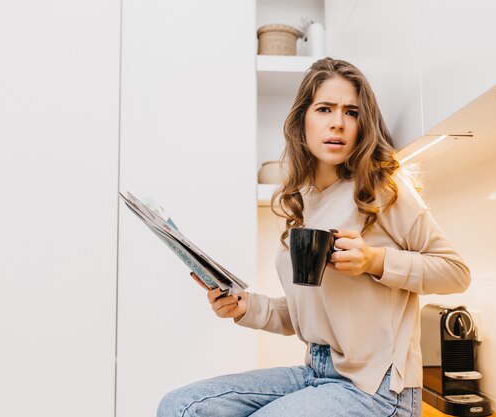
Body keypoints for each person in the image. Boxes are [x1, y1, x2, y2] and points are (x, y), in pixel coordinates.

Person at [157, 58, 471, 417]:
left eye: (351, 112)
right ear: (302, 120)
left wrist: (375, 261)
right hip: (316, 370)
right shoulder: (302, 201)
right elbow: (305, 312)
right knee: (181, 407)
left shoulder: (381, 188)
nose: (338, 122)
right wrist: (245, 306)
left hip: (379, 389)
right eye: (325, 109)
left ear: (362, 124)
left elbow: (455, 271)